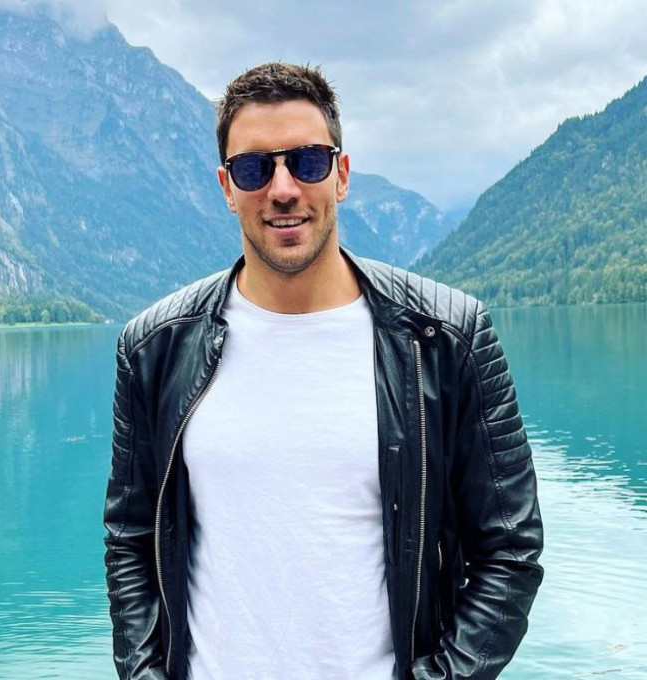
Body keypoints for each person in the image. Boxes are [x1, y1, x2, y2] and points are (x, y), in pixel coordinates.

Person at [104, 62, 543, 680]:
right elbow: (129, 541)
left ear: (341, 174)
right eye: (254, 169)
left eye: (307, 161)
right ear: (227, 187)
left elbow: (510, 551)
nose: (282, 189)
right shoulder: (154, 349)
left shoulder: (447, 339)